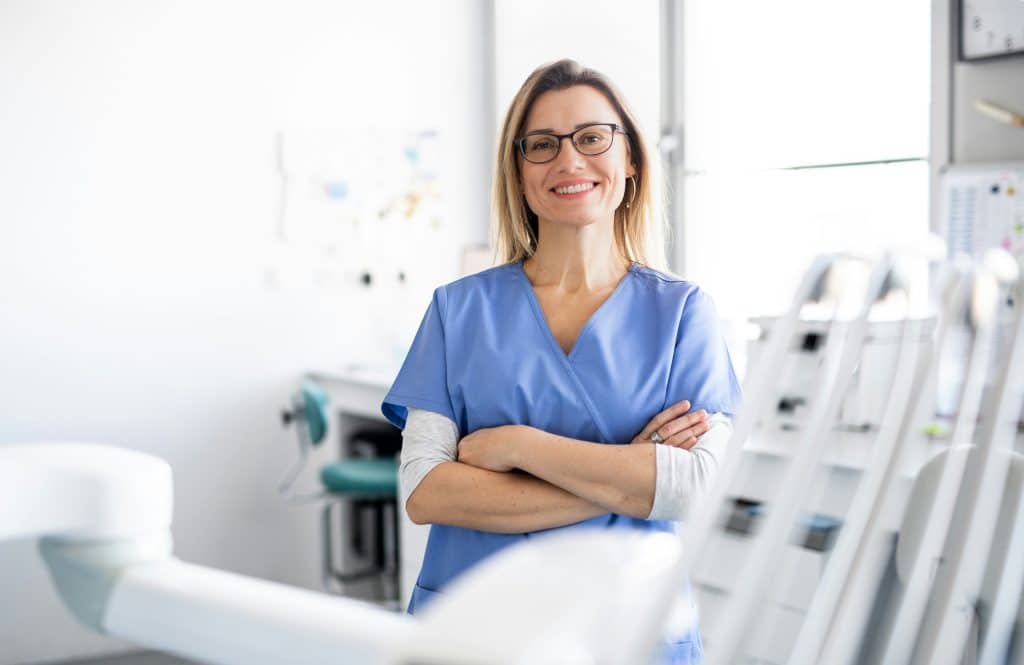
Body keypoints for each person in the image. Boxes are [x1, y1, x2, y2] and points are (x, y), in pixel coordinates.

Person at [381, 58, 741, 664]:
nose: (569, 161)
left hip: (627, 627)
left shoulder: (683, 314)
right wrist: (631, 475)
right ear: (518, 174)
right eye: (542, 145)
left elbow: (696, 488)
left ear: (630, 159)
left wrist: (520, 447)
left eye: (593, 138)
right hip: (477, 627)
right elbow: (425, 491)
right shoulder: (457, 310)